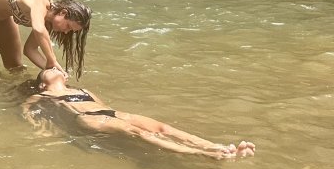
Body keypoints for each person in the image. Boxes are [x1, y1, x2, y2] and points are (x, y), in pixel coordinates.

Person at [23, 68, 257, 159]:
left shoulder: (82, 89)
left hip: (110, 112)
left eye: (57, 69)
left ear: (66, 76)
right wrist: (39, 128)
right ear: (42, 84)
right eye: (48, 70)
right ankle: (201, 154)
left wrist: (117, 115)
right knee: (139, 133)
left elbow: (102, 104)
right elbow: (28, 111)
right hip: (88, 119)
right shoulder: (44, 96)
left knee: (162, 128)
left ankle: (214, 146)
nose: (54, 68)